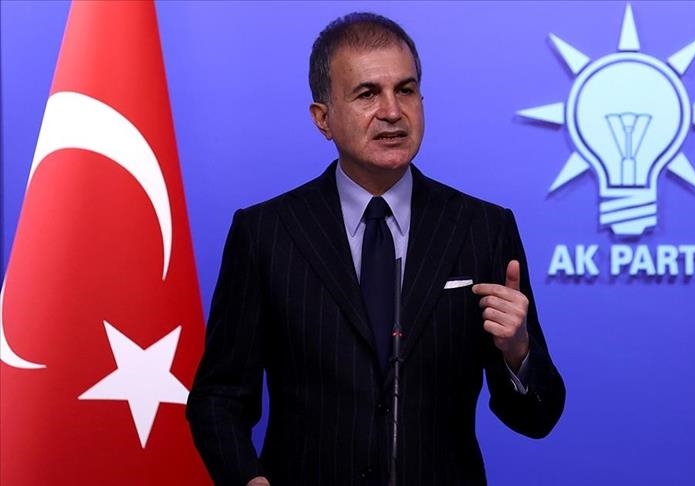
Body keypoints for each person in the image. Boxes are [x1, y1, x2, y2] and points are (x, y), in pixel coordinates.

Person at [186, 12, 565, 486]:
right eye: (367, 94)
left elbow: (536, 418)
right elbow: (219, 398)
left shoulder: (483, 229)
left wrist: (518, 352)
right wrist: (247, 479)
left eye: (405, 90)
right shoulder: (265, 233)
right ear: (323, 118)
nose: (392, 111)